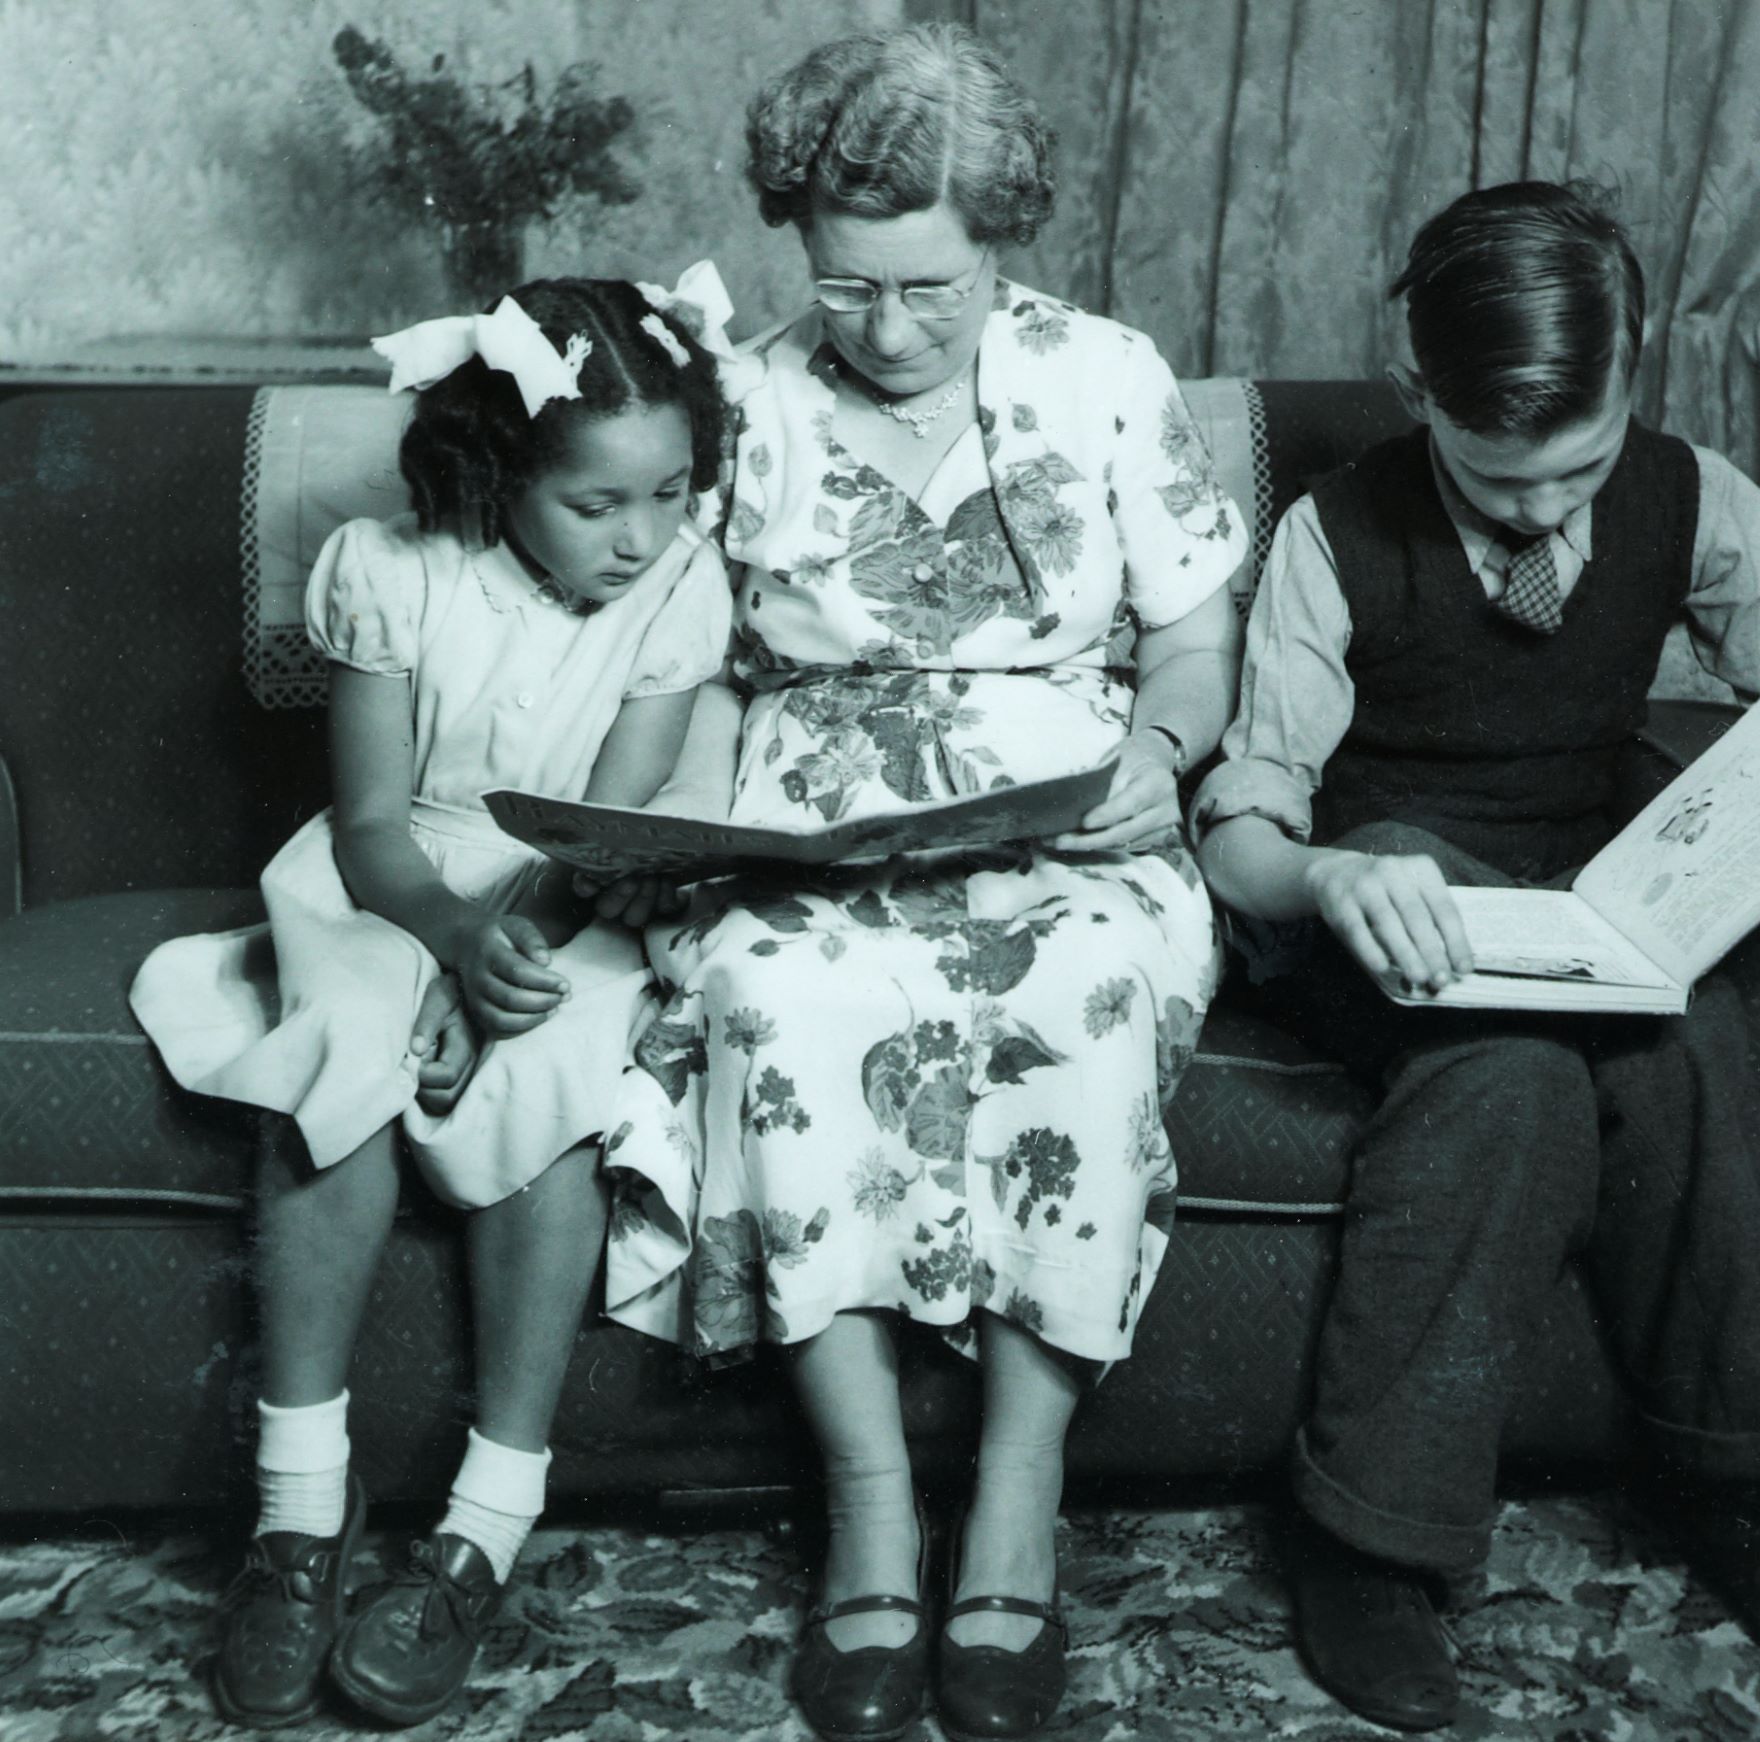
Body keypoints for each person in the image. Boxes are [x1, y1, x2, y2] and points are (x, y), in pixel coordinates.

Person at [1193, 181, 1760, 1734]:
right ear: (1421, 395)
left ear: (1636, 370)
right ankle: (1367, 1542)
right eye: (1494, 477)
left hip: (1592, 896)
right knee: (1505, 1069)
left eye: (1579, 467)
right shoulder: (1333, 534)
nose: (1540, 512)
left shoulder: (1694, 493)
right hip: (1384, 904)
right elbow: (1243, 827)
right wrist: (1329, 871)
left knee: (1675, 1043)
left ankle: (1736, 1490)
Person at [593, 25, 1244, 1742]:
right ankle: (871, 1501)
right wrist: (705, 821)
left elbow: (1191, 634)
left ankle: (1016, 1499)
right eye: (847, 283)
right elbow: (708, 665)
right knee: (770, 992)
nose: (885, 326)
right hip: (815, 807)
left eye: (928, 289)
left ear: (1003, 237)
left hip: (1072, 818)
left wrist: (1158, 762)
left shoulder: (1108, 373)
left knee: (1080, 992)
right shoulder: (743, 397)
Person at [128, 275, 734, 1730]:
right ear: (503, 468)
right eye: (598, 502)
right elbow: (371, 831)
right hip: (394, 880)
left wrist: (506, 960)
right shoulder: (386, 569)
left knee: (557, 1074)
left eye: (668, 493)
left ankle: (483, 1528)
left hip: (570, 887)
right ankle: (296, 1519)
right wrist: (449, 948)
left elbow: (618, 813)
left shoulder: (679, 583)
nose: (638, 535)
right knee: (338, 1052)